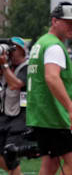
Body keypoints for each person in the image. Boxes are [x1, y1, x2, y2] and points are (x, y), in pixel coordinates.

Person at [26, 1, 72, 175]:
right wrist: (71, 110)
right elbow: (52, 77)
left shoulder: (41, 43)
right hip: (54, 116)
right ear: (54, 21)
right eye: (68, 23)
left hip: (41, 115)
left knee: (50, 164)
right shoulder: (54, 46)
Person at [0, 37, 29, 175]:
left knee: (9, 152)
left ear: (22, 51)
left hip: (21, 116)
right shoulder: (6, 65)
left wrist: (4, 65)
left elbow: (15, 85)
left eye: (13, 49)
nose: (10, 52)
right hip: (5, 114)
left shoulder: (28, 66)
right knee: (5, 157)